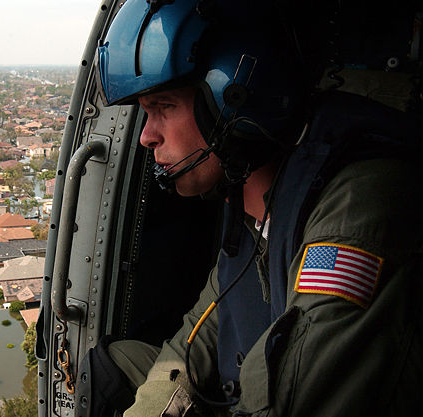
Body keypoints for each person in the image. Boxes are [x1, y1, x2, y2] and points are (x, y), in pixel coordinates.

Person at [83, 0, 423, 416]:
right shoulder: (247, 194)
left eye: (164, 107)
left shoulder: (357, 204)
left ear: (235, 98)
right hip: (246, 390)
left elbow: (293, 397)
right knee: (111, 368)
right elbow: (206, 325)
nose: (146, 137)